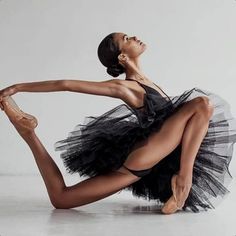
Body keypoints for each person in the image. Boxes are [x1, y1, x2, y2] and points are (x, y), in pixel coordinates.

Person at [1, 32, 236, 214]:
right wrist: (18, 87)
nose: (134, 37)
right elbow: (66, 83)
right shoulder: (125, 87)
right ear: (123, 57)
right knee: (202, 104)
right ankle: (183, 178)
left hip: (146, 159)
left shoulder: (145, 80)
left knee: (61, 199)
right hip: (151, 150)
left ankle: (27, 132)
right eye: (126, 38)